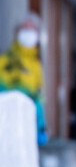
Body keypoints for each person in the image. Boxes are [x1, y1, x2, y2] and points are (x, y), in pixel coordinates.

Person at [0, 12, 47, 144]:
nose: (28, 32)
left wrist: (41, 126)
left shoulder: (36, 66)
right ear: (16, 32)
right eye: (25, 28)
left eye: (32, 29)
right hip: (5, 126)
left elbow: (39, 99)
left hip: (27, 126)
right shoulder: (3, 61)